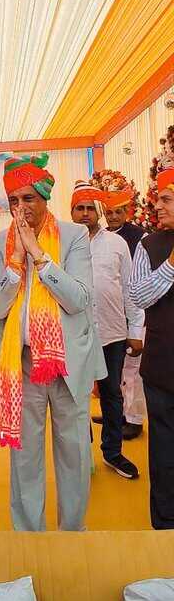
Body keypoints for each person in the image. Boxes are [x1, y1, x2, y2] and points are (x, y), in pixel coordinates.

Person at [0, 155, 106, 532]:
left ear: (44, 198)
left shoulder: (73, 236)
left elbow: (79, 299)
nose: (21, 208)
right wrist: (15, 262)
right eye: (14, 201)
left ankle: (72, 534)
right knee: (25, 459)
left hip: (68, 363)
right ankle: (29, 538)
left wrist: (39, 257)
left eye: (29, 198)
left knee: (74, 453)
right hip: (21, 364)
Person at [71, 181, 144, 479]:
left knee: (112, 394)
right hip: (74, 336)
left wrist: (135, 329)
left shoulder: (116, 244)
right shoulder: (60, 244)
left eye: (91, 208)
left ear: (99, 212)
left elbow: (129, 288)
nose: (85, 213)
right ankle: (81, 456)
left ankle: (113, 453)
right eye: (79, 208)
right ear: (71, 212)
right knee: (76, 398)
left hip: (112, 333)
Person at [129, 168, 174, 528]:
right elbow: (139, 295)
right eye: (158, 199)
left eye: (167, 199)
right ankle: (164, 526)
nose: (157, 206)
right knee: (164, 453)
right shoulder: (149, 246)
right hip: (162, 369)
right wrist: (171, 264)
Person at [104, 189, 146, 440]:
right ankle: (118, 414)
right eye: (108, 212)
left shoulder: (140, 237)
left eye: (118, 212)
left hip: (135, 311)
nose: (113, 217)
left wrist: (136, 323)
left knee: (133, 371)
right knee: (117, 371)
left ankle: (134, 419)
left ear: (127, 212)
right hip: (114, 316)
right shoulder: (103, 236)